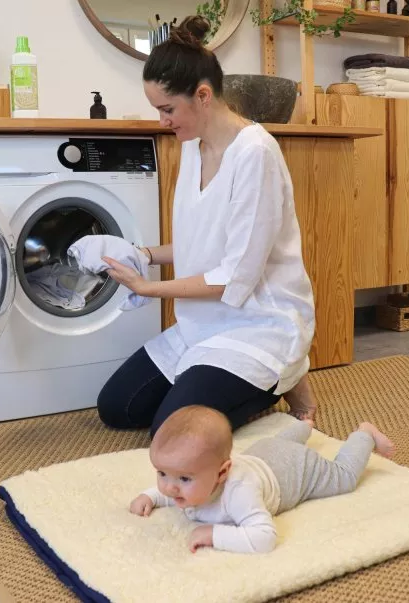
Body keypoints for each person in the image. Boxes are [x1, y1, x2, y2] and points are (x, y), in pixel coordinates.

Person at [97, 14, 318, 438]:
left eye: (167, 109)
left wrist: (149, 288)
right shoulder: (193, 147)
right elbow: (198, 242)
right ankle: (259, 382)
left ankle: (285, 373)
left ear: (202, 95)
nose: (162, 121)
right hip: (204, 323)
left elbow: (235, 275)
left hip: (260, 324)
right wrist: (142, 254)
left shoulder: (255, 154)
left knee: (174, 433)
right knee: (117, 407)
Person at [129, 405, 396, 554]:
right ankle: (303, 427)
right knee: (277, 444)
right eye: (161, 473)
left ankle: (364, 434)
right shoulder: (191, 477)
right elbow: (173, 491)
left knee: (344, 478)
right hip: (264, 452)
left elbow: (265, 538)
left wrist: (214, 534)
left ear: (222, 473)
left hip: (295, 468)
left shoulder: (239, 494)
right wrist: (151, 496)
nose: (169, 487)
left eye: (184, 479)